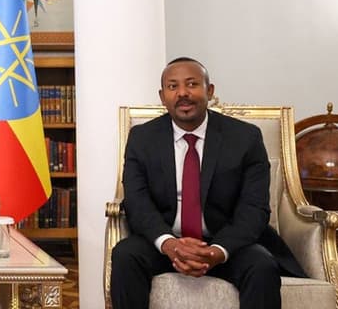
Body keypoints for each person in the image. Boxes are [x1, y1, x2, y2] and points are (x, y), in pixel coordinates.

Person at [110, 57, 306, 309]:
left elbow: (254, 208)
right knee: (125, 256)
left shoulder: (245, 138)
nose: (182, 93)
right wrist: (169, 244)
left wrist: (216, 251)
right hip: (164, 243)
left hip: (227, 243)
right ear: (162, 96)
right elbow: (137, 203)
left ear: (210, 91)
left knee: (261, 265)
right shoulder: (142, 138)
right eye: (173, 86)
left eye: (192, 84)